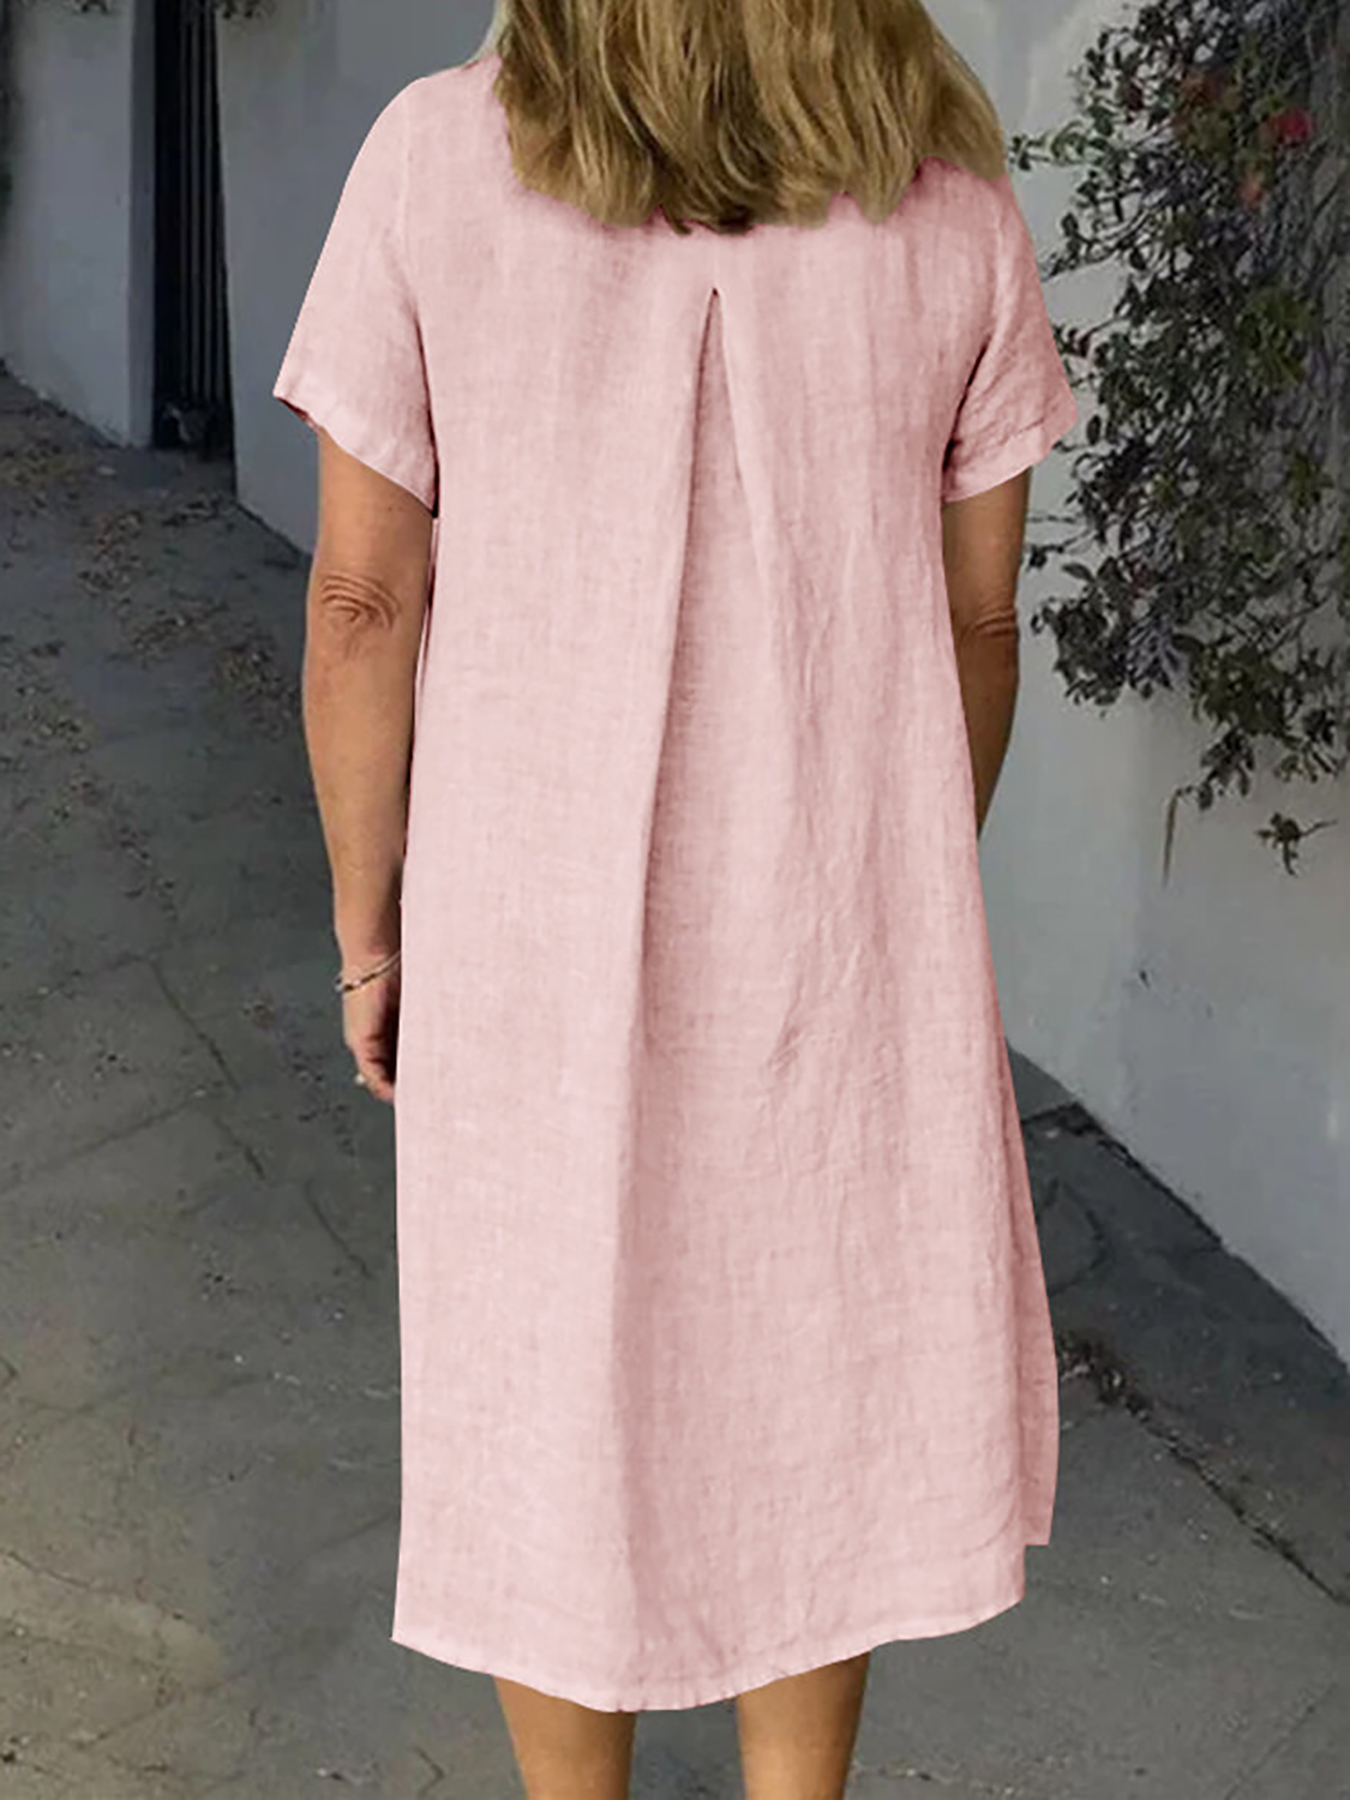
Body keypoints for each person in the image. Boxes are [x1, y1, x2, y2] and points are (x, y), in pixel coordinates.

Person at [272, 0, 1078, 1794]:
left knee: (554, 1385)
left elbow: (361, 601)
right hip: (839, 935)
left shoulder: (435, 158)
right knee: (813, 1366)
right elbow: (975, 620)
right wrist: (890, 891)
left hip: (526, 927)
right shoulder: (947, 203)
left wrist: (370, 932)